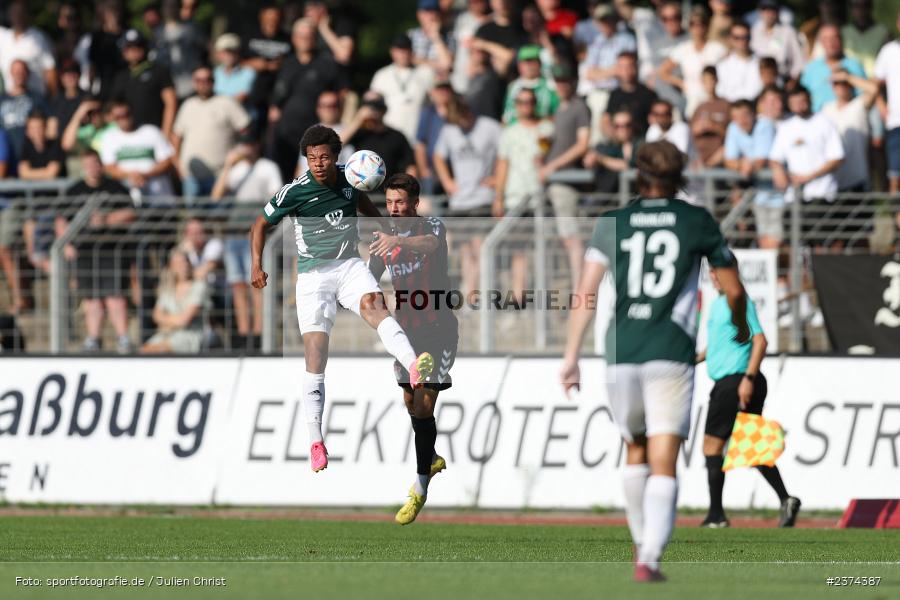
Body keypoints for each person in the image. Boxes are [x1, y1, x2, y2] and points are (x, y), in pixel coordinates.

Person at [560, 140, 747, 582]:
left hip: (620, 350)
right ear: (681, 173)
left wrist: (570, 356)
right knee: (665, 456)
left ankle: (642, 544)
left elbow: (585, 294)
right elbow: (734, 290)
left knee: (635, 448)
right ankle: (650, 556)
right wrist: (738, 325)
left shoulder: (613, 222)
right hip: (671, 350)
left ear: (638, 173)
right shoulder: (696, 220)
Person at [249, 124, 435, 473]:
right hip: (313, 276)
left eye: (324, 157)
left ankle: (413, 367)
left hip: (349, 265)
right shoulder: (294, 192)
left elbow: (360, 199)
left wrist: (383, 225)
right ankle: (316, 440)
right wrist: (255, 265)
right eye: (312, 158)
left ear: (336, 157)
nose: (318, 163)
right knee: (315, 353)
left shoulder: (351, 180)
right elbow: (259, 225)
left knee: (375, 306)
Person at [367, 173, 457, 525]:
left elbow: (429, 247)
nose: (394, 208)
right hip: (407, 333)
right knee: (412, 403)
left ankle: (419, 487)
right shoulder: (383, 239)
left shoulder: (432, 226)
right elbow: (369, 276)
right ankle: (431, 458)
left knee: (424, 401)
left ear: (414, 204)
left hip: (439, 330)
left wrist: (397, 242)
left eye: (400, 202)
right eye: (389, 202)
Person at [696, 267, 801, 528]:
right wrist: (695, 359)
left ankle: (716, 515)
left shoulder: (738, 299)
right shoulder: (719, 304)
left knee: (712, 446)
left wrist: (748, 378)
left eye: (719, 271)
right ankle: (786, 499)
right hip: (733, 381)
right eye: (712, 272)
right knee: (750, 447)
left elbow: (760, 341)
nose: (714, 277)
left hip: (736, 382)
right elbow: (722, 343)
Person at [211, 133, 282, 352]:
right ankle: (243, 334)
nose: (247, 148)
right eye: (244, 144)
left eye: (250, 143)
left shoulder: (267, 167)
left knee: (256, 286)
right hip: (234, 233)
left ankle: (260, 334)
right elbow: (216, 195)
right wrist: (227, 166)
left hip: (255, 233)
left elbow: (276, 196)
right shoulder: (236, 169)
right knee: (237, 285)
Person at [61, 149, 134, 353]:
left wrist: (108, 219)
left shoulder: (115, 188)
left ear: (101, 164)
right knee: (91, 298)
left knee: (115, 296)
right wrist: (65, 243)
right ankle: (94, 338)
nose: (92, 167)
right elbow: (61, 219)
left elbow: (130, 212)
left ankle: (123, 338)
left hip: (112, 250)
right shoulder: (74, 190)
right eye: (88, 163)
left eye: (95, 162)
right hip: (84, 251)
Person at [432, 98, 499, 302]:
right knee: (464, 251)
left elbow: (507, 154)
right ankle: (469, 294)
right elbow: (437, 156)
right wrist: (447, 181)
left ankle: (477, 296)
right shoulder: (449, 130)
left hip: (482, 198)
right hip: (459, 202)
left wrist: (497, 178)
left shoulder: (490, 127)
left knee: (480, 249)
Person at [268, 18, 348, 182]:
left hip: (315, 135)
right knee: (285, 179)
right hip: (286, 134)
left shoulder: (326, 63)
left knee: (312, 180)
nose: (305, 40)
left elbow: (342, 92)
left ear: (314, 38)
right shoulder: (287, 63)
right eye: (301, 36)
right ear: (294, 38)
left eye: (309, 36)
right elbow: (276, 100)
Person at [494, 88, 553, 306]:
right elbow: (503, 164)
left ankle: (538, 295)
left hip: (541, 197)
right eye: (521, 102)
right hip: (516, 197)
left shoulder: (547, 128)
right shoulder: (510, 132)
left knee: (542, 249)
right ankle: (519, 297)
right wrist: (498, 197)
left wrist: (546, 160)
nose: (525, 106)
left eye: (529, 102)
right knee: (518, 248)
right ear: (516, 105)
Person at [769, 87, 844, 246]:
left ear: (809, 100)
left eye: (802, 101)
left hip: (821, 194)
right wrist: (778, 170)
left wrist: (809, 177)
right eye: (794, 102)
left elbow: (837, 158)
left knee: (821, 244)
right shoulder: (786, 127)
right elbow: (775, 158)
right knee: (792, 244)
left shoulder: (825, 122)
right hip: (794, 197)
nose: (799, 105)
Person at [539, 64, 589, 290]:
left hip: (567, 181)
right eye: (558, 81)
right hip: (553, 180)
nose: (560, 85)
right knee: (564, 237)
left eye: (564, 81)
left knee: (571, 237)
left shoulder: (579, 107)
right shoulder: (560, 109)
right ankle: (573, 284)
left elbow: (582, 144)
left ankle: (579, 287)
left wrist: (554, 166)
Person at [172, 65, 251, 200]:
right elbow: (176, 137)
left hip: (220, 175)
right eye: (198, 80)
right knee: (193, 218)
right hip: (191, 176)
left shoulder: (227, 102)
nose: (203, 84)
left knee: (219, 219)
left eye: (207, 80)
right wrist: (178, 166)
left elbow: (247, 132)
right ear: (193, 82)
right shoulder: (187, 105)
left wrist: (238, 159)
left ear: (213, 81)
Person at [100, 100, 176, 202]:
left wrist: (145, 174)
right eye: (118, 116)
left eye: (126, 114)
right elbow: (109, 167)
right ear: (112, 118)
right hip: (128, 201)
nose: (123, 118)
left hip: (159, 197)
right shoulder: (109, 137)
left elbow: (167, 161)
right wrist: (131, 175)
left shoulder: (151, 131)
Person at [658, 5, 727, 118]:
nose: (697, 29)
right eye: (693, 25)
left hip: (714, 100)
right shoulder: (683, 49)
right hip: (693, 102)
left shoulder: (717, 49)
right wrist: (681, 84)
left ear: (707, 26)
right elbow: (663, 72)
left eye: (701, 24)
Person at [108, 29, 177, 139]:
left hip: (156, 133)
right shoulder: (121, 76)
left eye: (138, 46)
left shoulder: (159, 71)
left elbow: (171, 103)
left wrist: (166, 133)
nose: (133, 50)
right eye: (129, 47)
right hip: (129, 135)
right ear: (123, 51)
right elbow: (113, 109)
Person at [19, 109, 65, 275]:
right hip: (36, 206)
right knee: (29, 224)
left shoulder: (55, 145)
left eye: (40, 127)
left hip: (56, 206)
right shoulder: (26, 147)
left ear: (46, 128)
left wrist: (34, 175)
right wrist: (44, 173)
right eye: (33, 128)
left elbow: (52, 173)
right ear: (27, 131)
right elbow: (23, 173)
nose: (37, 132)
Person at [370, 34, 434, 146]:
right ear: (392, 52)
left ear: (412, 51)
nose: (403, 54)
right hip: (390, 137)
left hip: (418, 139)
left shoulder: (425, 73)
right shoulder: (382, 75)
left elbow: (436, 101)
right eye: (400, 50)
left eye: (406, 50)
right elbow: (372, 106)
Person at [140, 250, 209, 354]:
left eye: (185, 261)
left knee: (151, 350)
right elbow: (156, 315)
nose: (183, 265)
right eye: (178, 263)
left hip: (190, 336)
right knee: (142, 351)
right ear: (172, 267)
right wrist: (175, 321)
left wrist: (167, 322)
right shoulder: (168, 288)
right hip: (167, 334)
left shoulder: (199, 286)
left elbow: (184, 320)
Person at [822, 70, 879, 192]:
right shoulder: (826, 109)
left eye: (844, 83)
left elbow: (874, 89)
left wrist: (847, 77)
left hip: (859, 177)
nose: (841, 86)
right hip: (833, 180)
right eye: (836, 83)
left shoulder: (859, 104)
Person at [342, 93, 416, 179]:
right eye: (366, 105)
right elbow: (337, 144)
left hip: (389, 189)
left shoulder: (397, 136)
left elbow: (410, 166)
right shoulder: (359, 134)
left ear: (384, 110)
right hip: (362, 187)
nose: (371, 110)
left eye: (375, 105)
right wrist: (358, 120)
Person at [242, 4, 292, 128]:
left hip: (278, 96)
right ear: (261, 18)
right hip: (252, 95)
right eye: (268, 19)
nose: (272, 23)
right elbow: (236, 61)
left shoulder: (288, 39)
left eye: (275, 19)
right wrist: (251, 64)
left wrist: (282, 64)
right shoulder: (250, 36)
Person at [800, 25, 866, 114]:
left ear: (841, 40)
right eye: (826, 39)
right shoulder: (811, 68)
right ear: (820, 42)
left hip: (848, 119)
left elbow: (865, 94)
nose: (831, 43)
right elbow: (803, 95)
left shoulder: (854, 65)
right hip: (819, 120)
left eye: (835, 38)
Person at [0, 0, 57, 98]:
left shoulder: (38, 38)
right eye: (14, 12)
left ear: (27, 15)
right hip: (10, 103)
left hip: (36, 102)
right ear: (9, 15)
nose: (18, 16)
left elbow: (50, 70)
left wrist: (52, 99)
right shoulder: (4, 37)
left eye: (21, 12)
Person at [153, 0, 208, 100]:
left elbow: (203, 54)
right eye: (167, 7)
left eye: (174, 6)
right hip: (168, 86)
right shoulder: (158, 32)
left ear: (180, 8)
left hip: (192, 84)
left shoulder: (192, 29)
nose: (170, 10)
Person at [296, 90, 354, 177]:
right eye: (325, 106)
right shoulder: (311, 131)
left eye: (333, 106)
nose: (329, 109)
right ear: (318, 109)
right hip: (311, 184)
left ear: (340, 108)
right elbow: (300, 166)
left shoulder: (349, 129)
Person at [584, 109, 640, 194]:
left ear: (633, 125)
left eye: (627, 125)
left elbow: (627, 165)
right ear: (613, 127)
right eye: (618, 126)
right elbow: (588, 161)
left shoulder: (641, 145)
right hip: (609, 200)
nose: (623, 129)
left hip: (635, 198)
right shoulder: (604, 146)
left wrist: (601, 159)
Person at [750, 0, 805, 87]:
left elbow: (799, 59)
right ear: (759, 12)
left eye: (772, 9)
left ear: (778, 11)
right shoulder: (753, 32)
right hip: (758, 82)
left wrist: (793, 81)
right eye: (765, 9)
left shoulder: (788, 32)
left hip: (783, 81)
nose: (768, 13)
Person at [874, 12, 900, 194]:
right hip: (895, 123)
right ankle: (895, 221)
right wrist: (881, 105)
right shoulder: (889, 50)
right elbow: (876, 83)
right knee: (895, 178)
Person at [414, 79, 454, 195]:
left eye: (446, 89)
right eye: (440, 90)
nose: (443, 93)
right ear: (432, 92)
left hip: (454, 169)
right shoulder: (427, 113)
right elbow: (420, 143)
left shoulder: (458, 113)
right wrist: (424, 169)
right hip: (432, 171)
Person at [604, 51, 657, 139]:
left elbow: (655, 122)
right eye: (621, 67)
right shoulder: (614, 94)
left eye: (629, 66)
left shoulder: (648, 94)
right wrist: (615, 137)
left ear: (636, 67)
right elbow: (605, 120)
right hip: (618, 144)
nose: (625, 71)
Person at [501, 45, 559, 124]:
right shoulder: (513, 87)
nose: (529, 66)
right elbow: (506, 117)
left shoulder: (550, 86)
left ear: (540, 64)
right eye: (526, 62)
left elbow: (558, 114)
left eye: (533, 62)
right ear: (519, 65)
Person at [471, 0, 526, 79]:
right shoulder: (484, 30)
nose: (502, 3)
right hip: (491, 84)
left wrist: (484, 45)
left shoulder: (521, 27)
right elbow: (474, 65)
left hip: (517, 81)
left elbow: (510, 56)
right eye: (497, 1)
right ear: (491, 3)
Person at [690, 67, 730, 169]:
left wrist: (714, 127)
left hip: (719, 158)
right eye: (705, 81)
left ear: (716, 81)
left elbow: (733, 135)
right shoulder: (699, 107)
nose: (709, 84)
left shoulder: (726, 105)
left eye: (711, 80)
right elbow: (690, 133)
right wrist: (696, 129)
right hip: (699, 157)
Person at [451, 0, 491, 94]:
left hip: (482, 74)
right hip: (460, 71)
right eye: (472, 2)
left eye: (479, 2)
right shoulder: (462, 19)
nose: (475, 4)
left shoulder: (492, 21)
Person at [716, 23, 763, 103]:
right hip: (730, 108)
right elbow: (720, 92)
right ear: (730, 39)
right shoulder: (722, 65)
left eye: (745, 37)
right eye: (737, 37)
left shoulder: (761, 63)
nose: (742, 41)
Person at [408, 0, 455, 76]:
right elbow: (407, 59)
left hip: (439, 84)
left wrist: (436, 37)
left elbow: (447, 64)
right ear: (419, 15)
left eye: (434, 12)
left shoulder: (449, 36)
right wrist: (437, 65)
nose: (431, 16)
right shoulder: (411, 35)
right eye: (427, 12)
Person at [213, 33, 256, 106]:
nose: (229, 55)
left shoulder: (249, 72)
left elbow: (241, 98)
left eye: (233, 51)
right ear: (218, 54)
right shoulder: (215, 72)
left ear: (238, 53)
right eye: (225, 51)